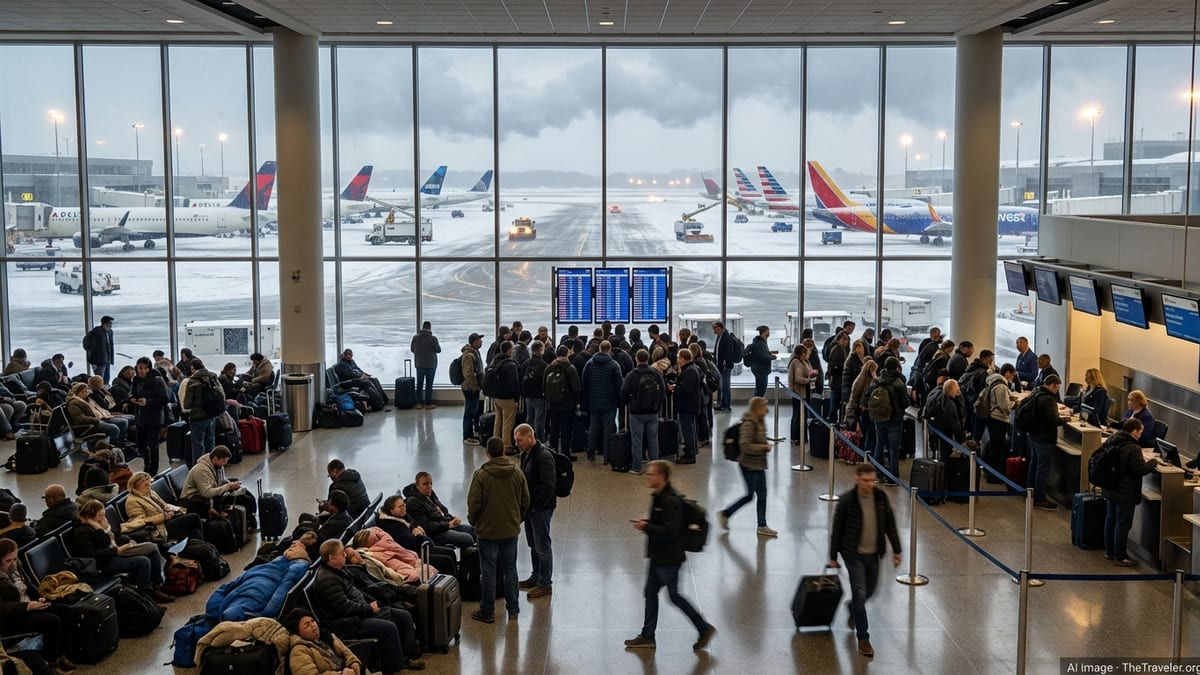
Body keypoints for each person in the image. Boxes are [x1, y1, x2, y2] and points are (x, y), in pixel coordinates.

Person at [624, 460, 716, 651]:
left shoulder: (669, 501)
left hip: (668, 559)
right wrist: (648, 522)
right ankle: (648, 636)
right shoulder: (659, 496)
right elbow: (664, 523)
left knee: (675, 597)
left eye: (651, 474)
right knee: (650, 593)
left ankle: (704, 628)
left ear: (662, 477)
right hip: (658, 557)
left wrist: (646, 526)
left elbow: (671, 531)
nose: (648, 477)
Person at [311, 540, 424, 672]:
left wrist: (370, 603)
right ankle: (394, 666)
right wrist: (369, 608)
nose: (345, 556)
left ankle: (407, 656)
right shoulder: (327, 580)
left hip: (358, 613)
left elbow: (354, 593)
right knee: (389, 628)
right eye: (342, 554)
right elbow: (344, 607)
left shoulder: (338, 571)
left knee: (403, 616)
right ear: (331, 557)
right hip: (346, 623)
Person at [828, 463, 903, 659]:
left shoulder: (880, 498)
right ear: (857, 479)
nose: (870, 484)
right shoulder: (846, 502)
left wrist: (897, 550)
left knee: (870, 591)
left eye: (873, 480)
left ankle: (851, 607)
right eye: (866, 480)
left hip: (874, 554)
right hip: (854, 555)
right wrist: (833, 556)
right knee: (860, 595)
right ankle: (863, 638)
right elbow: (837, 530)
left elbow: (889, 524)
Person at [466, 437, 529, 623]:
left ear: (488, 453)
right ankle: (514, 608)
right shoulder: (517, 473)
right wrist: (517, 519)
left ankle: (487, 611)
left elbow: (474, 504)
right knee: (510, 570)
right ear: (503, 451)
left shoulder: (481, 476)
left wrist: (474, 522)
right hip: (510, 530)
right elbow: (525, 501)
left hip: (487, 532)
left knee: (488, 573)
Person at [70, 499, 174, 603]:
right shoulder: (82, 532)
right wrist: (113, 547)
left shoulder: (97, 524)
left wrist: (123, 543)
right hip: (102, 564)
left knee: (152, 550)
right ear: (91, 516)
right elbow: (93, 555)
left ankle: (157, 586)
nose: (104, 518)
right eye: (101, 515)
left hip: (113, 553)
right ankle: (147, 595)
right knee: (143, 561)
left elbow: (113, 538)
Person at [0, 538, 75, 673]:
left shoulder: (18, 566)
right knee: (52, 621)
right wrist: (27, 606)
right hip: (13, 616)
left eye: (15, 559)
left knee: (66, 611)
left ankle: (61, 654)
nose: (13, 564)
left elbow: (29, 586)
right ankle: (51, 660)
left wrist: (40, 598)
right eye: (8, 560)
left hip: (30, 605)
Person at [1097, 418, 1158, 566]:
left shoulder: (1112, 439)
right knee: (1123, 523)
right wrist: (1153, 462)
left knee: (1110, 518)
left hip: (1111, 486)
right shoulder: (1133, 448)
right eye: (1140, 432)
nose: (1140, 435)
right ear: (1134, 431)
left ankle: (1109, 551)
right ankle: (1120, 556)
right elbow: (1139, 470)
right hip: (1125, 491)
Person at [718, 397, 777, 537]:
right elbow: (745, 446)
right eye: (764, 406)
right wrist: (764, 447)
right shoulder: (749, 424)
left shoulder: (760, 421)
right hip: (748, 465)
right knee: (750, 495)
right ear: (757, 408)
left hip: (759, 464)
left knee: (762, 495)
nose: (767, 409)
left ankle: (762, 525)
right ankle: (726, 513)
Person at [515, 424, 555, 599]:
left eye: (520, 440)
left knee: (542, 545)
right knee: (533, 544)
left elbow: (548, 486)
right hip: (530, 508)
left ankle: (545, 583)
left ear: (530, 437)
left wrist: (536, 506)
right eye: (516, 441)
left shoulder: (543, 456)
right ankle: (536, 576)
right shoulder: (526, 454)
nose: (518, 444)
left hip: (540, 509)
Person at [374, 496, 457, 575]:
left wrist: (415, 529)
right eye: (400, 507)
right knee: (447, 560)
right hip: (413, 553)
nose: (404, 508)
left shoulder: (403, 516)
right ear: (391, 511)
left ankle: (457, 579)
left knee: (450, 552)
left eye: (404, 505)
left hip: (420, 547)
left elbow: (414, 524)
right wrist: (420, 536)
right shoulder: (392, 526)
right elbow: (411, 542)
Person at [179, 446, 258, 527]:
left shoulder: (218, 466)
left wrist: (232, 485)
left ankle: (250, 522)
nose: (225, 464)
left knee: (246, 497)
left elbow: (222, 480)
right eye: (223, 461)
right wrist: (227, 487)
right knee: (238, 499)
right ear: (215, 458)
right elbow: (206, 492)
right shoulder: (201, 471)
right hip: (194, 500)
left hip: (209, 496)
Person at [124, 471, 203, 545]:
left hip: (165, 521)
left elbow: (164, 505)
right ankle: (203, 546)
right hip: (158, 528)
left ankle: (202, 547)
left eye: (149, 484)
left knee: (194, 530)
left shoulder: (150, 492)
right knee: (194, 517)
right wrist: (163, 517)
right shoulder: (132, 501)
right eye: (146, 485)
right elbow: (141, 522)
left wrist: (176, 509)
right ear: (136, 485)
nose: (149, 487)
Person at [403, 472, 476, 549]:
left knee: (473, 531)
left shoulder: (429, 494)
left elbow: (442, 510)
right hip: (434, 534)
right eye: (425, 484)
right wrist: (447, 525)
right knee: (467, 539)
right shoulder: (413, 502)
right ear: (417, 486)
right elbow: (425, 526)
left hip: (443, 525)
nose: (429, 486)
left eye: (431, 483)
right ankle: (465, 559)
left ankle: (473, 557)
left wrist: (452, 518)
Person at [1025, 374, 1066, 510]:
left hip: (1033, 435)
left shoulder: (1035, 393)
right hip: (1044, 438)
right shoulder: (1048, 400)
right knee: (1042, 468)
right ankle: (1040, 498)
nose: (1057, 389)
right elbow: (1052, 421)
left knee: (1034, 464)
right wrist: (1064, 420)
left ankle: (1029, 492)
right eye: (1057, 386)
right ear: (1053, 385)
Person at [620, 349, 665, 475]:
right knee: (653, 438)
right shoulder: (655, 373)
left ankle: (637, 467)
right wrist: (658, 405)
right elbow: (662, 392)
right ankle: (655, 467)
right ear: (648, 358)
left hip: (636, 412)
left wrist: (625, 404)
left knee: (637, 440)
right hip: (653, 411)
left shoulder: (631, 375)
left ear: (636, 359)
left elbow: (623, 393)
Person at [282, 608, 363, 675]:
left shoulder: (326, 636)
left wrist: (354, 663)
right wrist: (341, 674)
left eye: (312, 621)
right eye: (307, 625)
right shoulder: (298, 651)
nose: (313, 625)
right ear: (298, 633)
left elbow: (346, 652)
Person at [581, 341, 622, 463]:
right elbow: (619, 384)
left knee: (593, 427)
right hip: (609, 401)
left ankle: (591, 453)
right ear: (609, 349)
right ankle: (606, 456)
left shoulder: (589, 363)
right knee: (607, 429)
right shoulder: (614, 365)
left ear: (599, 348)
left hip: (593, 400)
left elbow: (584, 381)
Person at [871, 357, 909, 486]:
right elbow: (905, 402)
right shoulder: (899, 382)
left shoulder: (878, 380)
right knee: (893, 447)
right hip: (895, 418)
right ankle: (893, 476)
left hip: (879, 416)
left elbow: (868, 394)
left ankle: (878, 472)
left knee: (879, 443)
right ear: (897, 366)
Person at [130, 356, 169, 475]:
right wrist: (132, 399)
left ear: (149, 369)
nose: (142, 371)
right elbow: (132, 392)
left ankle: (152, 470)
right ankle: (147, 463)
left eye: (144, 368)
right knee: (140, 445)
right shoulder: (136, 379)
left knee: (153, 445)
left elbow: (165, 399)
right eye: (140, 368)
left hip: (154, 418)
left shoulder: (157, 380)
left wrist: (148, 402)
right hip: (140, 417)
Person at [181, 359, 225, 461]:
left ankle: (199, 469)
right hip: (211, 415)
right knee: (210, 443)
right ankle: (213, 466)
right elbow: (222, 395)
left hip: (197, 417)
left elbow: (187, 405)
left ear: (192, 368)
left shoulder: (192, 381)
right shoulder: (213, 377)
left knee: (198, 445)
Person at [981, 364, 1018, 481]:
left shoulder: (994, 381)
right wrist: (1014, 404)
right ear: (1007, 373)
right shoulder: (1001, 386)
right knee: (997, 448)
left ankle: (990, 472)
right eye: (1012, 375)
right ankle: (994, 476)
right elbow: (1004, 406)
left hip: (992, 418)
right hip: (998, 419)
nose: (1012, 378)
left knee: (994, 447)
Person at [544, 345, 581, 458]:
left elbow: (544, 384)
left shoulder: (549, 367)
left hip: (553, 403)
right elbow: (576, 388)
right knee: (566, 429)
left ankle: (553, 450)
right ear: (568, 353)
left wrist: (547, 397)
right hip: (567, 404)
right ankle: (565, 453)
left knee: (554, 427)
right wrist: (578, 402)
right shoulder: (570, 368)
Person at [485, 341, 521, 454]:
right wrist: (516, 398)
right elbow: (514, 383)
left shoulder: (496, 361)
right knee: (508, 423)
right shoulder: (510, 365)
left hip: (496, 397)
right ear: (509, 351)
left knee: (498, 420)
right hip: (507, 398)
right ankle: (507, 446)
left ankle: (495, 444)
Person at [671, 349, 702, 464]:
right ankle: (691, 450)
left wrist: (675, 389)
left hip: (687, 405)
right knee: (691, 428)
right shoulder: (692, 369)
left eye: (679, 357)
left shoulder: (690, 371)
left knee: (687, 430)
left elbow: (686, 389)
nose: (678, 360)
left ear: (683, 358)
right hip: (691, 405)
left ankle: (690, 454)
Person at [519, 341, 548, 440]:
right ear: (540, 351)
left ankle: (527, 437)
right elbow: (545, 381)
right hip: (539, 395)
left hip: (527, 395)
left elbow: (520, 377)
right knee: (539, 419)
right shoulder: (543, 364)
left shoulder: (526, 363)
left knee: (529, 417)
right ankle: (539, 438)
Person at [409, 321, 441, 409]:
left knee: (419, 384)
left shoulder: (415, 338)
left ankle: (419, 403)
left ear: (422, 327)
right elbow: (438, 350)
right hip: (431, 364)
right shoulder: (433, 338)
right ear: (430, 328)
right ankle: (428, 403)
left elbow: (412, 349)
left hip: (419, 364)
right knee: (429, 384)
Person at [460, 333, 485, 445]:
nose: (481, 342)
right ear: (474, 342)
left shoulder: (474, 353)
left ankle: (470, 433)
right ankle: (467, 436)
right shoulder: (469, 355)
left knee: (471, 411)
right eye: (479, 340)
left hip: (472, 387)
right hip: (470, 388)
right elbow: (468, 373)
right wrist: (475, 387)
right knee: (469, 412)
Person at [787, 344, 814, 445]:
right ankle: (795, 437)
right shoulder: (796, 362)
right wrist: (808, 380)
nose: (807, 355)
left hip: (806, 391)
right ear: (801, 354)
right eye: (806, 353)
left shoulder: (806, 361)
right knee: (797, 414)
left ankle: (803, 436)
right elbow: (797, 379)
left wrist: (813, 374)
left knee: (804, 415)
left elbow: (810, 371)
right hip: (798, 392)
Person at [711, 321, 738, 412]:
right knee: (722, 387)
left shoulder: (727, 338)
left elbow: (728, 352)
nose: (715, 331)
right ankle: (723, 404)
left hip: (725, 366)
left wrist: (725, 363)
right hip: (720, 366)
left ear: (721, 328)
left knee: (725, 387)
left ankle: (726, 406)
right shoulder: (720, 337)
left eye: (716, 329)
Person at [82, 315, 114, 383]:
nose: (111, 325)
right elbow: (89, 347)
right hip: (98, 362)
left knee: (106, 380)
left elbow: (110, 346)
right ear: (105, 323)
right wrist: (93, 362)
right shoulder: (96, 333)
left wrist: (111, 359)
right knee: (99, 381)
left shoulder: (110, 332)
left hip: (107, 360)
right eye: (110, 323)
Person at [746, 325, 775, 397]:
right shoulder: (761, 343)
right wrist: (771, 357)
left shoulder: (759, 342)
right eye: (767, 331)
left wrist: (769, 353)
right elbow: (762, 356)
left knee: (759, 388)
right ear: (764, 332)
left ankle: (757, 404)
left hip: (758, 369)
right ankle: (757, 405)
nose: (769, 333)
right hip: (761, 370)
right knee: (761, 390)